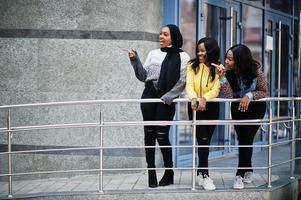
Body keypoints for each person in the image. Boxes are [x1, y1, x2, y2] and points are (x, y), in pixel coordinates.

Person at [125, 24, 190, 188]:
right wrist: (134, 59)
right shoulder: (153, 53)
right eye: (160, 34)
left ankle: (169, 172)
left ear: (173, 36)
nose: (161, 36)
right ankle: (151, 172)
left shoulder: (184, 57)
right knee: (149, 135)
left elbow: (183, 81)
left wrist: (168, 97)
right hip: (148, 96)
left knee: (161, 135)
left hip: (166, 100)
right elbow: (143, 76)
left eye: (165, 34)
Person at [215, 44, 268, 189]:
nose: (226, 61)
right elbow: (230, 96)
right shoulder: (228, 73)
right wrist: (221, 78)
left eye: (230, 59)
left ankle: (239, 174)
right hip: (238, 109)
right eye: (226, 58)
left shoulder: (256, 70)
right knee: (244, 140)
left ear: (240, 60)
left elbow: (264, 92)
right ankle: (248, 169)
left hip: (256, 109)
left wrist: (249, 95)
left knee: (246, 139)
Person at [186, 37, 221, 191]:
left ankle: (200, 172)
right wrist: (194, 98)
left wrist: (204, 98)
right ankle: (205, 175)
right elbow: (189, 85)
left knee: (206, 141)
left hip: (211, 107)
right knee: (203, 139)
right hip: (194, 107)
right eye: (198, 50)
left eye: (203, 50)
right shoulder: (191, 66)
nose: (199, 53)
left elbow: (216, 88)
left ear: (210, 51)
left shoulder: (217, 68)